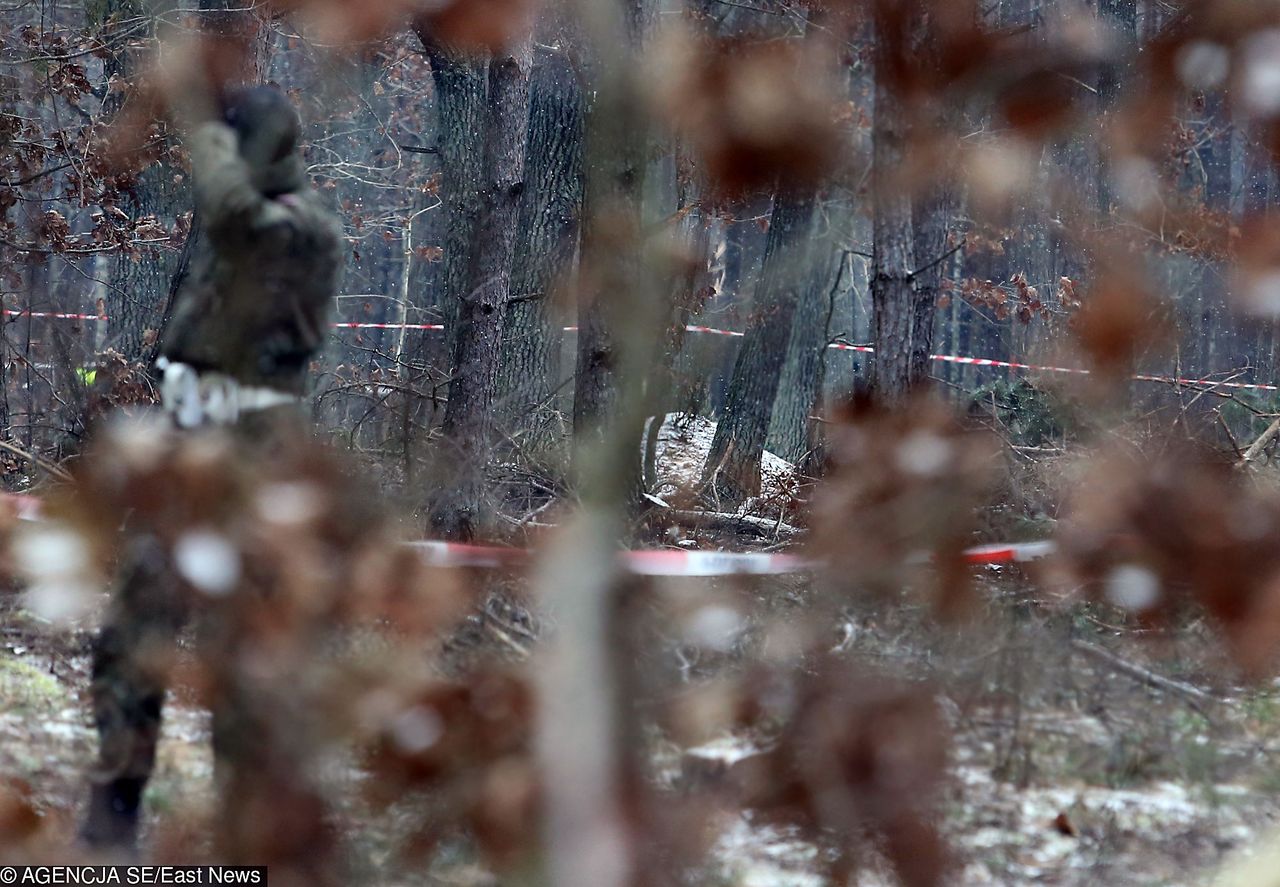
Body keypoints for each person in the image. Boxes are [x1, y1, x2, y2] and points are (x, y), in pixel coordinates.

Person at [82, 84, 343, 861]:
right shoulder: (235, 232)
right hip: (187, 440)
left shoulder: (301, 227)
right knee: (132, 639)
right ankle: (112, 818)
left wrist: (214, 148)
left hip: (254, 453)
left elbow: (237, 215)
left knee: (244, 657)